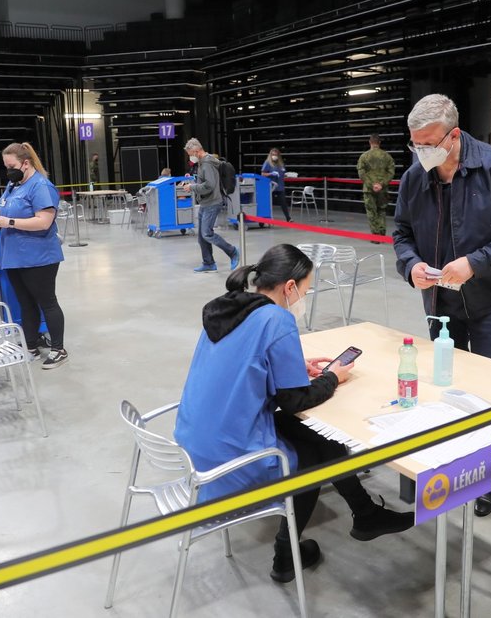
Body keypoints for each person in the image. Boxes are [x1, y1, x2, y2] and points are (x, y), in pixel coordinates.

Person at [174, 244, 413, 583]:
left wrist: (294, 365)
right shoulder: (277, 319)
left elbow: (243, 365)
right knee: (313, 455)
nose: (306, 295)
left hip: (195, 441)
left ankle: (366, 513)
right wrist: (333, 377)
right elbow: (296, 401)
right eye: (306, 289)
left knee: (316, 437)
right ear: (289, 287)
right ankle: (287, 556)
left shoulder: (228, 310)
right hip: (230, 457)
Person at [392, 94, 491, 517]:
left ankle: (486, 476)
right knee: (447, 383)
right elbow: (401, 232)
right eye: (415, 144)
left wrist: (476, 263)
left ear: (453, 136)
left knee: (489, 390)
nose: (421, 151)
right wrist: (411, 265)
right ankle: (453, 460)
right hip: (439, 300)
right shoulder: (413, 177)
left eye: (428, 143)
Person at [0, 142, 68, 369]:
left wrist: (9, 222)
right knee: (26, 303)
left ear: (26, 163)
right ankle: (30, 345)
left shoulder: (41, 186)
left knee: (47, 302)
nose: (8, 171)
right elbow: (3, 209)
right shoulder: (13, 185)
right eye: (5, 166)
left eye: (11, 166)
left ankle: (59, 349)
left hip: (39, 256)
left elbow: (44, 222)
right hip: (15, 256)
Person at [183, 138, 239, 273]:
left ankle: (233, 252)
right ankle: (208, 263)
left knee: (207, 233)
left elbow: (209, 185)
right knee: (202, 237)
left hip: (212, 202)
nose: (190, 157)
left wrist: (192, 187)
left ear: (196, 151)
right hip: (206, 202)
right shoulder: (203, 162)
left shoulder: (207, 163)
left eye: (190, 154)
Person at [357, 134, 396, 238]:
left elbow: (361, 174)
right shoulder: (387, 156)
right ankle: (382, 234)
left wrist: (372, 185)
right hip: (383, 190)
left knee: (371, 212)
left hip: (369, 190)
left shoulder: (364, 156)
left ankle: (375, 236)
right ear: (380, 142)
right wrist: (381, 184)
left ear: (370, 142)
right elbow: (391, 173)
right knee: (382, 211)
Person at [261, 147, 291, 222]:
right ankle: (263, 218)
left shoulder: (281, 164)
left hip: (280, 186)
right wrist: (270, 173)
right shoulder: (267, 163)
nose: (275, 156)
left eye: (276, 154)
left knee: (283, 202)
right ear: (270, 155)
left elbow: (283, 173)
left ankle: (288, 218)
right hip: (271, 186)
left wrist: (287, 175)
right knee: (267, 203)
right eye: (273, 154)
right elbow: (263, 174)